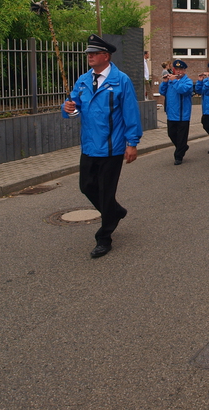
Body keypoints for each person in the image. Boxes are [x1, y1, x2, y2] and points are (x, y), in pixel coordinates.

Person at [63, 34, 142, 259]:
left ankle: (104, 237)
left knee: (106, 193)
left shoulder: (121, 80)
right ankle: (115, 212)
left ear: (106, 56)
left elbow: (131, 113)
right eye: (88, 53)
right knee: (86, 186)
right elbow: (74, 105)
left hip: (112, 147)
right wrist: (67, 108)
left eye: (94, 53)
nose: (89, 57)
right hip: (89, 145)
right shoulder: (83, 80)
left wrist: (132, 143)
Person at [159, 59, 193, 165]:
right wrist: (164, 82)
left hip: (183, 115)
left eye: (180, 69)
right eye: (176, 69)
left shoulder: (188, 81)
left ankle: (178, 156)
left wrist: (174, 81)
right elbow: (162, 92)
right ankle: (182, 147)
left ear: (184, 71)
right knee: (171, 134)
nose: (178, 71)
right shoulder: (170, 81)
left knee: (182, 137)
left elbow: (182, 90)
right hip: (171, 114)